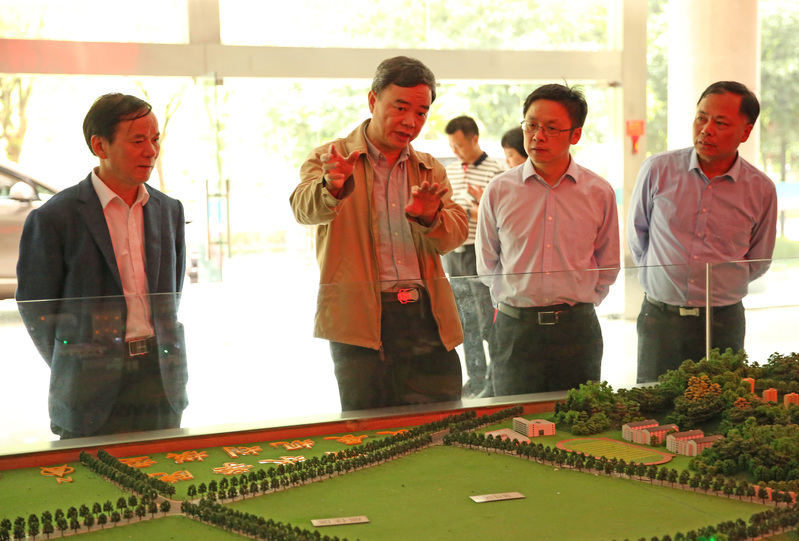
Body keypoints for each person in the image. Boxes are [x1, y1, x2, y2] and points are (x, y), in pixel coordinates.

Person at [290, 56, 469, 411]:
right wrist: (332, 187)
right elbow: (303, 210)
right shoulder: (332, 157)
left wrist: (431, 217)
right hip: (359, 318)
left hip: (426, 315)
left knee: (443, 419)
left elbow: (454, 236)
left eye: (421, 112)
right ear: (373, 100)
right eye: (400, 107)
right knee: (369, 425)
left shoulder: (429, 168)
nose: (411, 121)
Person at [16, 93, 188, 439]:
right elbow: (37, 309)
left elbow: (170, 297)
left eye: (155, 139)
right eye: (138, 141)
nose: (151, 151)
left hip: (159, 379)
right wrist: (76, 360)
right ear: (100, 145)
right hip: (88, 387)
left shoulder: (169, 211)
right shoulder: (55, 217)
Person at [628, 81, 778, 383]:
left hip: (722, 321)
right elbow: (637, 236)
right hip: (661, 318)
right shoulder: (658, 169)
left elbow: (758, 260)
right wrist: (664, 279)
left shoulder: (760, 189)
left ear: (746, 132)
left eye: (720, 123)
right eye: (701, 118)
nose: (706, 130)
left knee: (721, 402)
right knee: (653, 403)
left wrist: (721, 286)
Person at [476, 83, 620, 396]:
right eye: (531, 125)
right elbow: (487, 263)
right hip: (516, 329)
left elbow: (608, 263)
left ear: (575, 135)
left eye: (551, 128)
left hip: (576, 329)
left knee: (579, 416)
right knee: (512, 417)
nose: (537, 136)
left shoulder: (598, 192)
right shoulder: (499, 190)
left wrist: (580, 303)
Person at [443, 115, 505, 398]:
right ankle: (476, 378)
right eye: (451, 146)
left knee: (486, 319)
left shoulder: (496, 172)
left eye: (458, 145)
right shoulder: (451, 171)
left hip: (479, 254)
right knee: (465, 321)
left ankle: (496, 376)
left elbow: (497, 217)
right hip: (453, 254)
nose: (455, 151)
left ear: (474, 139)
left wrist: (468, 211)